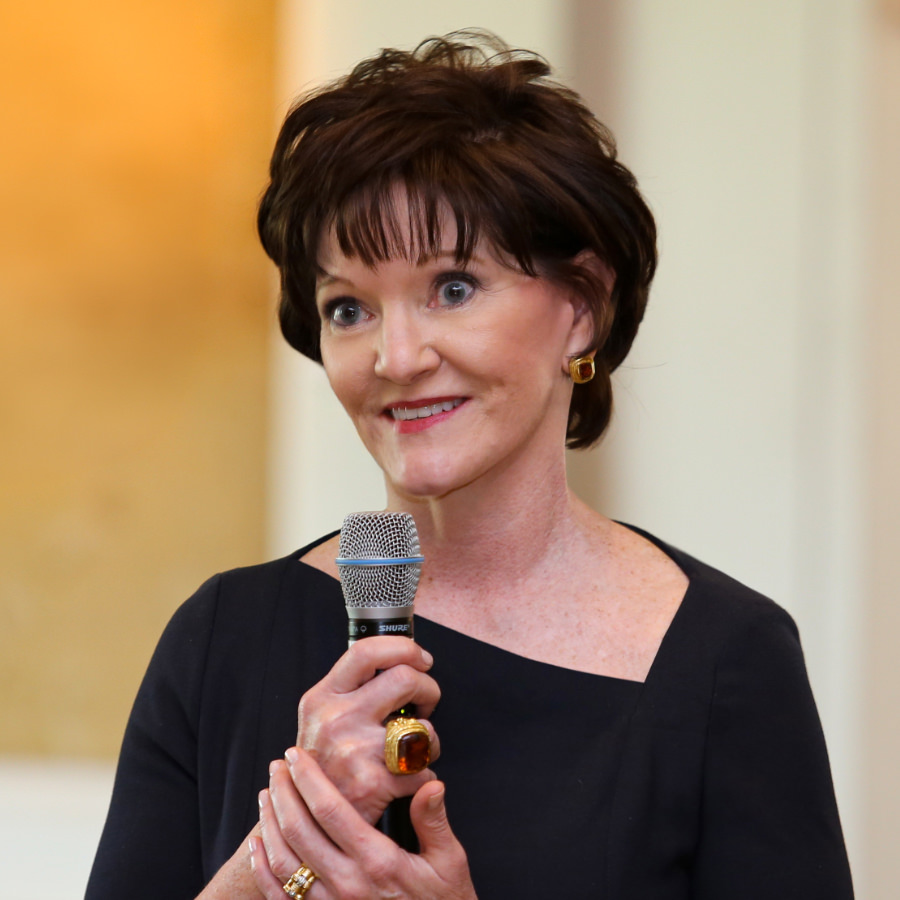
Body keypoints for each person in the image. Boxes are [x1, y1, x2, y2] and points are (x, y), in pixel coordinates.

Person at [86, 31, 854, 900]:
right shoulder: (224, 637)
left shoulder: (726, 659)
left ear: (581, 308)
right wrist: (287, 854)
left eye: (453, 287)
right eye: (348, 308)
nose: (395, 356)